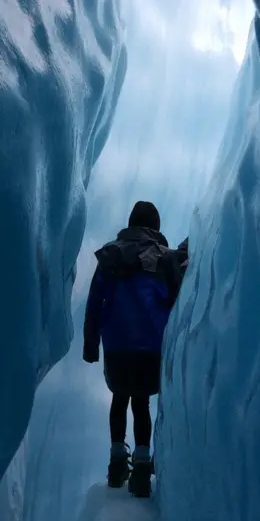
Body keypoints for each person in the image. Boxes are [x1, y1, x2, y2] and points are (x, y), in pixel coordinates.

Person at [83, 201, 181, 497]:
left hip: (116, 345)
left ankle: (116, 464)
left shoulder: (110, 255)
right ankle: (140, 467)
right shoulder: (166, 259)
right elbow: (179, 302)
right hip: (151, 345)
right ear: (155, 227)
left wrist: (91, 346)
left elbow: (93, 303)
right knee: (141, 403)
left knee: (119, 397)